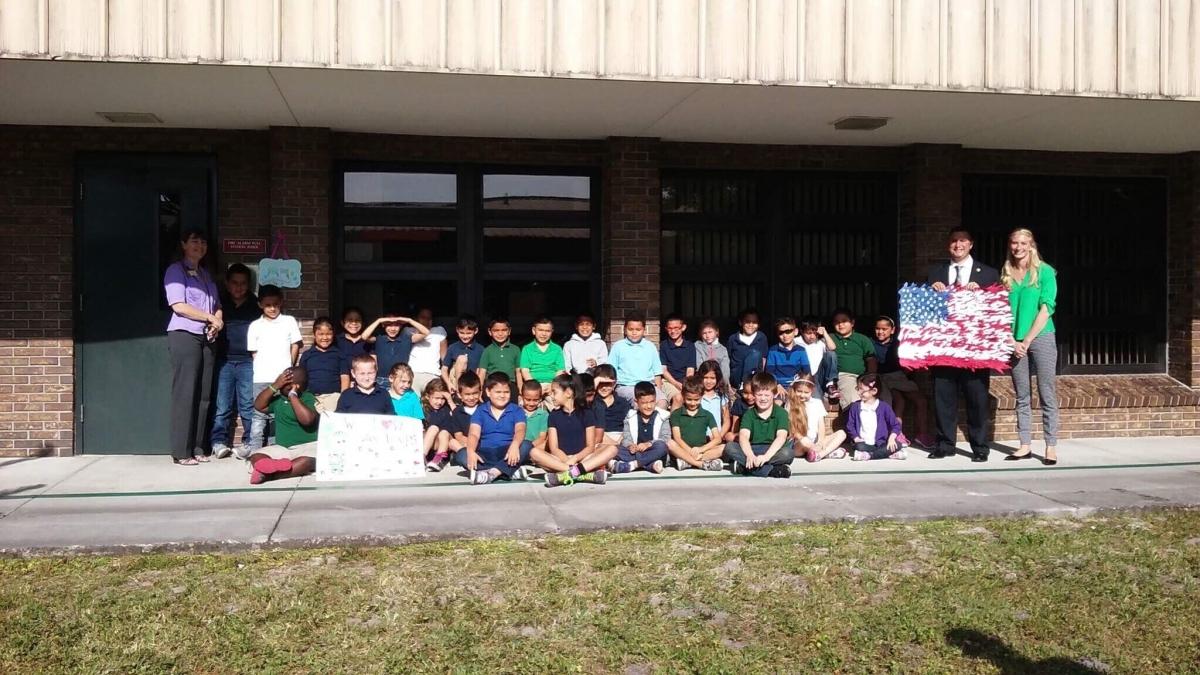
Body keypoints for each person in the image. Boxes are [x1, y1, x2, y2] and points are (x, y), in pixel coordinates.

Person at [926, 227, 1000, 462]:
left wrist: (983, 293)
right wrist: (931, 290)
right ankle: (944, 444)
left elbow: (997, 309)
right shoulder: (935, 272)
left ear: (971, 244)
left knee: (977, 400)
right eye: (954, 241)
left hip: (974, 351)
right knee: (943, 399)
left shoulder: (988, 274)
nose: (958, 245)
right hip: (944, 350)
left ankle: (979, 446)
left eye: (963, 241)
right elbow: (924, 310)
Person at [1001, 228, 1060, 466]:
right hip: (1013, 342)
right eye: (1014, 243)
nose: (1018, 247)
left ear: (1031, 245)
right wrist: (1012, 340)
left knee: (1046, 392)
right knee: (1022, 394)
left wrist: (1026, 340)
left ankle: (1050, 446)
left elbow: (1047, 307)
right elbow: (1000, 311)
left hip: (1040, 336)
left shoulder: (1044, 272)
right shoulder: (1005, 274)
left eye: (1023, 243)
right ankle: (1024, 444)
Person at [164, 229, 222, 465]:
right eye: (194, 241)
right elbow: (179, 305)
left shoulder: (206, 275)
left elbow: (217, 305)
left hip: (207, 337)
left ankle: (198, 447)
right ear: (184, 244)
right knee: (186, 392)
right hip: (184, 334)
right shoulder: (175, 271)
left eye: (203, 241)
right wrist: (210, 317)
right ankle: (181, 451)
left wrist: (217, 320)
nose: (199, 245)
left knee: (204, 394)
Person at [244, 285, 303, 457]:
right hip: (262, 376)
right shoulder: (255, 325)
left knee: (279, 415)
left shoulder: (289, 321)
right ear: (260, 304)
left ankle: (274, 451)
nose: (272, 308)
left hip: (284, 377)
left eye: (275, 304)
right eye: (268, 305)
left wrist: (289, 366)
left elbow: (295, 345)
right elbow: (253, 352)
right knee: (259, 416)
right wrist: (265, 367)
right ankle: (255, 453)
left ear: (281, 303)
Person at [210, 263, 259, 459]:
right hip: (224, 361)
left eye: (243, 283)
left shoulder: (255, 305)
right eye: (234, 283)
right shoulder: (219, 304)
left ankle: (249, 441)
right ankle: (218, 442)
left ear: (248, 285)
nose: (239, 287)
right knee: (223, 405)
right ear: (227, 284)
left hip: (247, 361)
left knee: (248, 404)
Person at [532, 374, 615, 486]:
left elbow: (590, 446)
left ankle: (568, 474)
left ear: (568, 393)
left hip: (583, 458)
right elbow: (554, 448)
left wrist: (575, 458)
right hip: (561, 460)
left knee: (612, 449)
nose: (552, 396)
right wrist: (567, 460)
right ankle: (580, 474)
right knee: (534, 452)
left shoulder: (587, 413)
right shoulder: (553, 416)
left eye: (555, 392)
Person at [248, 367, 318, 484]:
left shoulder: (308, 398)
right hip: (282, 449)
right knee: (256, 456)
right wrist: (274, 385)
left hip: (307, 447)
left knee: (306, 462)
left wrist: (293, 396)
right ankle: (271, 468)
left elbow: (307, 420)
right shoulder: (278, 400)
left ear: (296, 386)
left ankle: (269, 475)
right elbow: (258, 406)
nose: (280, 387)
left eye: (284, 384)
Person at [873, 315, 934, 449]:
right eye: (878, 329)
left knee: (921, 400)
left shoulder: (899, 344)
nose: (880, 332)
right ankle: (897, 433)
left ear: (893, 330)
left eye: (884, 329)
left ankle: (922, 435)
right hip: (884, 378)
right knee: (899, 400)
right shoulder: (872, 345)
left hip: (900, 377)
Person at [461, 372, 531, 485]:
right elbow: (474, 434)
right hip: (485, 452)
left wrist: (514, 445)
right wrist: (470, 451)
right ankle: (508, 470)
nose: (502, 396)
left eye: (506, 392)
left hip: (507, 451)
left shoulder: (517, 410)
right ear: (488, 392)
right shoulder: (480, 410)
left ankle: (491, 473)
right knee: (462, 454)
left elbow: (520, 430)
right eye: (498, 392)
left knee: (526, 445)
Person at [723, 372, 794, 478]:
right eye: (759, 395)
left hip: (772, 449)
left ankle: (745, 468)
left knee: (788, 453)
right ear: (754, 394)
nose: (763, 399)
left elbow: (781, 437)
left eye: (767, 395)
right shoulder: (749, 413)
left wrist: (766, 457)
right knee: (730, 448)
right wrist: (750, 455)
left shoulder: (781, 413)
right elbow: (743, 436)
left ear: (774, 395)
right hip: (752, 448)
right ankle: (772, 470)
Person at [611, 381, 671, 474]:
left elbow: (665, 438)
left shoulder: (663, 416)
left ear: (656, 400)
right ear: (636, 402)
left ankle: (634, 465)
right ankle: (650, 465)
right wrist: (631, 445)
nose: (649, 406)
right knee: (614, 449)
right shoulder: (630, 416)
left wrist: (648, 444)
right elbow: (627, 437)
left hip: (654, 451)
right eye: (644, 403)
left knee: (662, 446)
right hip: (636, 452)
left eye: (652, 402)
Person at [845, 373, 906, 461]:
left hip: (881, 443)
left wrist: (892, 438)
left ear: (874, 391)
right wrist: (856, 438)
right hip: (863, 443)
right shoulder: (855, 406)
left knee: (898, 444)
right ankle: (887, 454)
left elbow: (895, 425)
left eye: (862, 390)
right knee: (858, 446)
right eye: (858, 389)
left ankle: (869, 455)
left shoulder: (884, 407)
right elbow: (850, 425)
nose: (858, 392)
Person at [668, 377, 724, 471]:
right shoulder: (676, 414)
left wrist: (700, 450)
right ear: (683, 396)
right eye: (689, 399)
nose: (693, 403)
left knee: (724, 447)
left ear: (702, 396)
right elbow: (677, 438)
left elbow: (718, 438)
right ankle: (700, 464)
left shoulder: (707, 415)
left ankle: (687, 462)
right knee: (670, 444)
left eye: (696, 399)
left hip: (701, 452)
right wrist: (690, 451)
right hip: (683, 450)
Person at [787, 374, 847, 462]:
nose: (802, 395)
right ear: (794, 389)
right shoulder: (790, 403)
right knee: (804, 441)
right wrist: (806, 441)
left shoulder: (817, 403)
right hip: (798, 444)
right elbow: (792, 428)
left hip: (814, 442)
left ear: (812, 390)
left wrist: (820, 442)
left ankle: (819, 455)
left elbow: (821, 425)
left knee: (841, 433)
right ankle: (826, 453)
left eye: (806, 392)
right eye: (799, 391)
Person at [608, 317, 664, 405]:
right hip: (626, 387)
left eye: (638, 329)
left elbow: (657, 373)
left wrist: (659, 392)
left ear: (644, 330)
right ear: (625, 330)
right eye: (631, 329)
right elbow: (611, 372)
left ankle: (655, 419)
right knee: (639, 403)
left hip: (649, 386)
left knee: (662, 402)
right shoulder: (618, 346)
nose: (634, 333)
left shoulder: (650, 346)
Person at [298, 317, 350, 413]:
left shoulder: (339, 354)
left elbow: (345, 377)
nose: (325, 338)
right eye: (321, 334)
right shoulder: (307, 355)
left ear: (333, 335)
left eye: (328, 334)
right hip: (311, 397)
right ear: (314, 335)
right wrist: (304, 396)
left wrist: (343, 397)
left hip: (333, 397)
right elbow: (301, 378)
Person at [829, 307, 877, 409]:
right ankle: (855, 423)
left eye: (844, 321)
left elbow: (871, 360)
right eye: (837, 322)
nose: (840, 324)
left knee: (884, 397)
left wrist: (871, 377)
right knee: (853, 401)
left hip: (863, 377)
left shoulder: (862, 339)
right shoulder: (830, 338)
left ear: (852, 323)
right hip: (844, 376)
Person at [365, 314, 428, 390]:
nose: (393, 329)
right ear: (383, 325)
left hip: (400, 380)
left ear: (401, 326)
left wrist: (409, 320)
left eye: (396, 325)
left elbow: (426, 332)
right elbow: (364, 336)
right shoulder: (379, 338)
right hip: (381, 380)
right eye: (389, 325)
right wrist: (379, 321)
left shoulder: (406, 339)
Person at [519, 317, 566, 396]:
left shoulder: (557, 349)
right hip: (533, 386)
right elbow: (525, 371)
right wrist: (536, 387)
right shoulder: (527, 349)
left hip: (553, 386)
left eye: (547, 331)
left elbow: (560, 371)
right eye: (540, 330)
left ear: (552, 332)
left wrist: (552, 386)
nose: (544, 334)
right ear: (534, 331)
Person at [590, 364, 631, 453]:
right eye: (601, 384)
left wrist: (619, 442)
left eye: (607, 384)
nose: (604, 388)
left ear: (614, 384)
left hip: (621, 438)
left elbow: (629, 426)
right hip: (600, 439)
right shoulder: (592, 403)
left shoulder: (622, 402)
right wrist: (594, 383)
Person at [406, 307, 448, 395]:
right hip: (413, 374)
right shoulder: (408, 331)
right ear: (417, 318)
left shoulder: (439, 331)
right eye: (423, 317)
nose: (426, 320)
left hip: (433, 375)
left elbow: (444, 358)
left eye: (429, 318)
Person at [476, 318, 522, 397]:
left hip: (510, 384)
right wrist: (479, 391)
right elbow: (482, 373)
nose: (500, 334)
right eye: (496, 330)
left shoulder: (515, 349)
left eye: (504, 330)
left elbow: (518, 372)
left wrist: (521, 391)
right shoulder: (487, 350)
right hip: (492, 384)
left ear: (509, 331)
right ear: (490, 332)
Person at [798, 315, 839, 403]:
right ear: (801, 331)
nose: (812, 336)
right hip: (803, 374)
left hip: (818, 376)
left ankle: (830, 385)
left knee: (831, 354)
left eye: (815, 333)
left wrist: (824, 333)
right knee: (816, 398)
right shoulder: (797, 341)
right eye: (808, 333)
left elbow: (832, 348)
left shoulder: (821, 342)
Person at [658, 313, 695, 409]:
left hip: (685, 382)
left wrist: (686, 385)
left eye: (676, 328)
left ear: (683, 327)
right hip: (668, 381)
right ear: (666, 329)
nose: (673, 331)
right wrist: (675, 383)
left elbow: (690, 370)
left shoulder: (690, 346)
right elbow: (663, 370)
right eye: (670, 328)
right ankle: (674, 423)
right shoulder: (664, 345)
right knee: (679, 398)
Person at [445, 371, 483, 463]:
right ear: (459, 394)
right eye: (467, 394)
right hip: (466, 445)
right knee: (452, 443)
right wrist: (472, 445)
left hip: (483, 445)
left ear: (480, 392)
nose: (471, 397)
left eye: (474, 393)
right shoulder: (457, 413)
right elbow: (459, 436)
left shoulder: (485, 409)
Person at [442, 315, 484, 394]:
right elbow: (444, 369)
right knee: (462, 359)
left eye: (469, 333)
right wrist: (449, 383)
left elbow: (480, 370)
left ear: (476, 331)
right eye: (462, 333)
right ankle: (459, 389)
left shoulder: (481, 349)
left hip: (473, 384)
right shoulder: (452, 347)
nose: (465, 336)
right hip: (455, 384)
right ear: (457, 330)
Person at [765, 316, 810, 389]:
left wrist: (798, 384)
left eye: (788, 331)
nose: (785, 335)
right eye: (781, 333)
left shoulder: (801, 350)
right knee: (777, 401)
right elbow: (769, 372)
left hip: (796, 386)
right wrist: (777, 385)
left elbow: (806, 371)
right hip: (777, 386)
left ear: (795, 332)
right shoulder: (773, 350)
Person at [726, 308, 767, 389]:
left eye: (754, 322)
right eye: (747, 322)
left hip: (754, 378)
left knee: (755, 354)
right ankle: (742, 386)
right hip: (736, 376)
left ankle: (746, 385)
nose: (751, 325)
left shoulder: (761, 337)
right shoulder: (733, 339)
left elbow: (763, 359)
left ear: (758, 324)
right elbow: (728, 358)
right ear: (740, 322)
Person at [421, 377, 454, 471]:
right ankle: (421, 456)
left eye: (443, 399)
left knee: (443, 432)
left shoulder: (447, 409)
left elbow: (458, 417)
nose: (439, 402)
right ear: (428, 396)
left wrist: (450, 400)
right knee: (433, 428)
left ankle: (438, 460)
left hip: (444, 442)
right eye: (436, 398)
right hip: (429, 442)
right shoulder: (424, 409)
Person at [696, 359, 731, 441]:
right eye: (705, 377)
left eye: (712, 378)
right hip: (699, 437)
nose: (709, 381)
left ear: (717, 378)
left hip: (716, 438)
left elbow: (726, 420)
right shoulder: (696, 395)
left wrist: (719, 437)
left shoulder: (721, 396)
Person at [693, 318, 731, 387]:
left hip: (718, 379)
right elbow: (699, 365)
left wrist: (726, 383)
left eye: (710, 332)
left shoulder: (722, 349)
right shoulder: (698, 346)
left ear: (716, 332)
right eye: (704, 333)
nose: (707, 336)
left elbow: (725, 369)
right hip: (703, 379)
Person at [518, 379, 549, 453]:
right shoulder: (517, 412)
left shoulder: (544, 415)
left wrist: (527, 448)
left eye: (535, 400)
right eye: (528, 400)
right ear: (522, 397)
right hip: (517, 447)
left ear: (540, 399)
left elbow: (542, 437)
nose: (531, 403)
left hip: (535, 448)